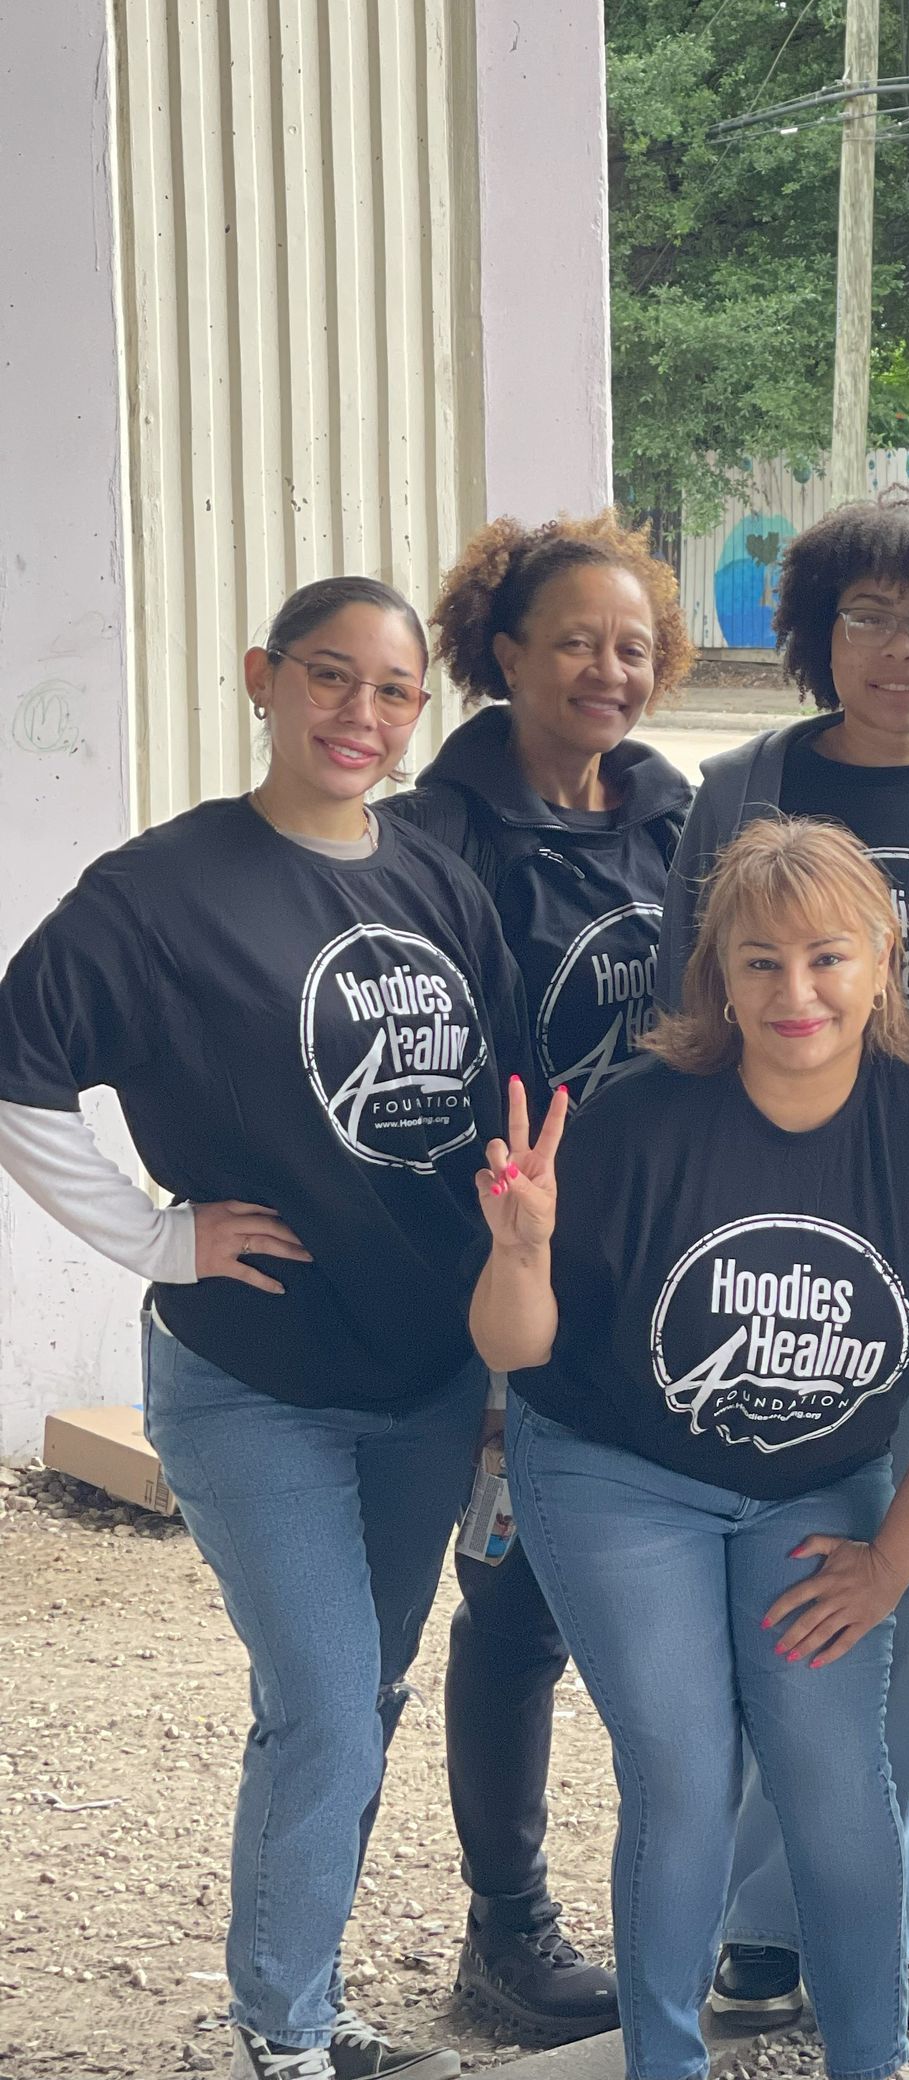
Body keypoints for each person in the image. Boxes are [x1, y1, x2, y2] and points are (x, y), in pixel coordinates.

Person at [0, 577, 529, 2080]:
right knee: (320, 1706)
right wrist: (159, 1235)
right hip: (256, 1385)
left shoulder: (435, 881)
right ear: (262, 678)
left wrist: (501, 1358)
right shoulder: (159, 893)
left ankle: (305, 1993)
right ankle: (287, 2035)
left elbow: (493, 1126)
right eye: (327, 678)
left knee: (357, 1698)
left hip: (425, 1380)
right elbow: (18, 1066)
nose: (358, 715)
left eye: (393, 691)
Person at [471, 815, 909, 2080]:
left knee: (831, 1772)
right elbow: (520, 1351)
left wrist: (891, 1564)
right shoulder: (640, 1118)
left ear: (881, 961)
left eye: (826, 957)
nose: (795, 992)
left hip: (813, 1480)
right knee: (685, 1774)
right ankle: (665, 2064)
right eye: (759, 963)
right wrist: (520, 1248)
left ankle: (872, 2062)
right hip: (619, 1473)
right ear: (718, 978)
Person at [657, 489, 909, 2054]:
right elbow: (694, 1014)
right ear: (816, 630)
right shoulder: (740, 788)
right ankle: (765, 1922)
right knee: (792, 1578)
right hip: (774, 1257)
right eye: (877, 617)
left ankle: (902, 1930)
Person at [384, 510, 694, 2046]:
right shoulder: (432, 842)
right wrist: (491, 1332)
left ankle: (701, 1904)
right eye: (573, 640)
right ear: (499, 655)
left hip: (656, 1276)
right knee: (512, 1610)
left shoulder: (671, 817)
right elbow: (413, 1087)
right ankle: (507, 1934)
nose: (607, 670)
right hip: (499, 1276)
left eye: (633, 646)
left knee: (652, 1607)